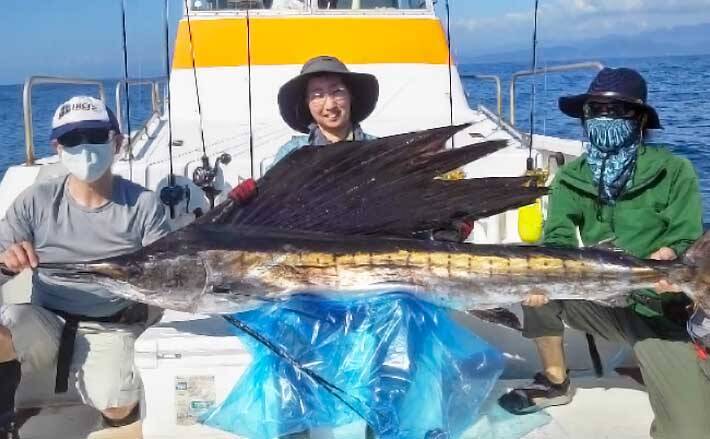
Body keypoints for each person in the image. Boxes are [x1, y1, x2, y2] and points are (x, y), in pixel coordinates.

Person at [498, 68, 709, 438]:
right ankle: (555, 381)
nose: (604, 118)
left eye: (618, 111)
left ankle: (658, 364)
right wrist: (544, 279)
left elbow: (685, 236)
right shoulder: (571, 178)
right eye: (594, 109)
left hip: (658, 311)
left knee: (691, 431)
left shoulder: (674, 170)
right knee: (535, 281)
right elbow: (559, 241)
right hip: (600, 299)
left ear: (640, 119)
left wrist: (669, 255)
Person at [0, 96, 171, 438]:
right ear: (58, 148)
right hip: (44, 319)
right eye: (72, 139)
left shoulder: (143, 205)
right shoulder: (35, 201)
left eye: (95, 136)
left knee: (116, 401)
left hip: (111, 323)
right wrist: (6, 265)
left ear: (117, 143)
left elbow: (168, 273)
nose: (85, 147)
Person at [272, 55, 378, 164]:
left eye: (337, 92)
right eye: (318, 95)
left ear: (351, 96)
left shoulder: (378, 152)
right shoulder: (291, 154)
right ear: (307, 103)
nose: (330, 106)